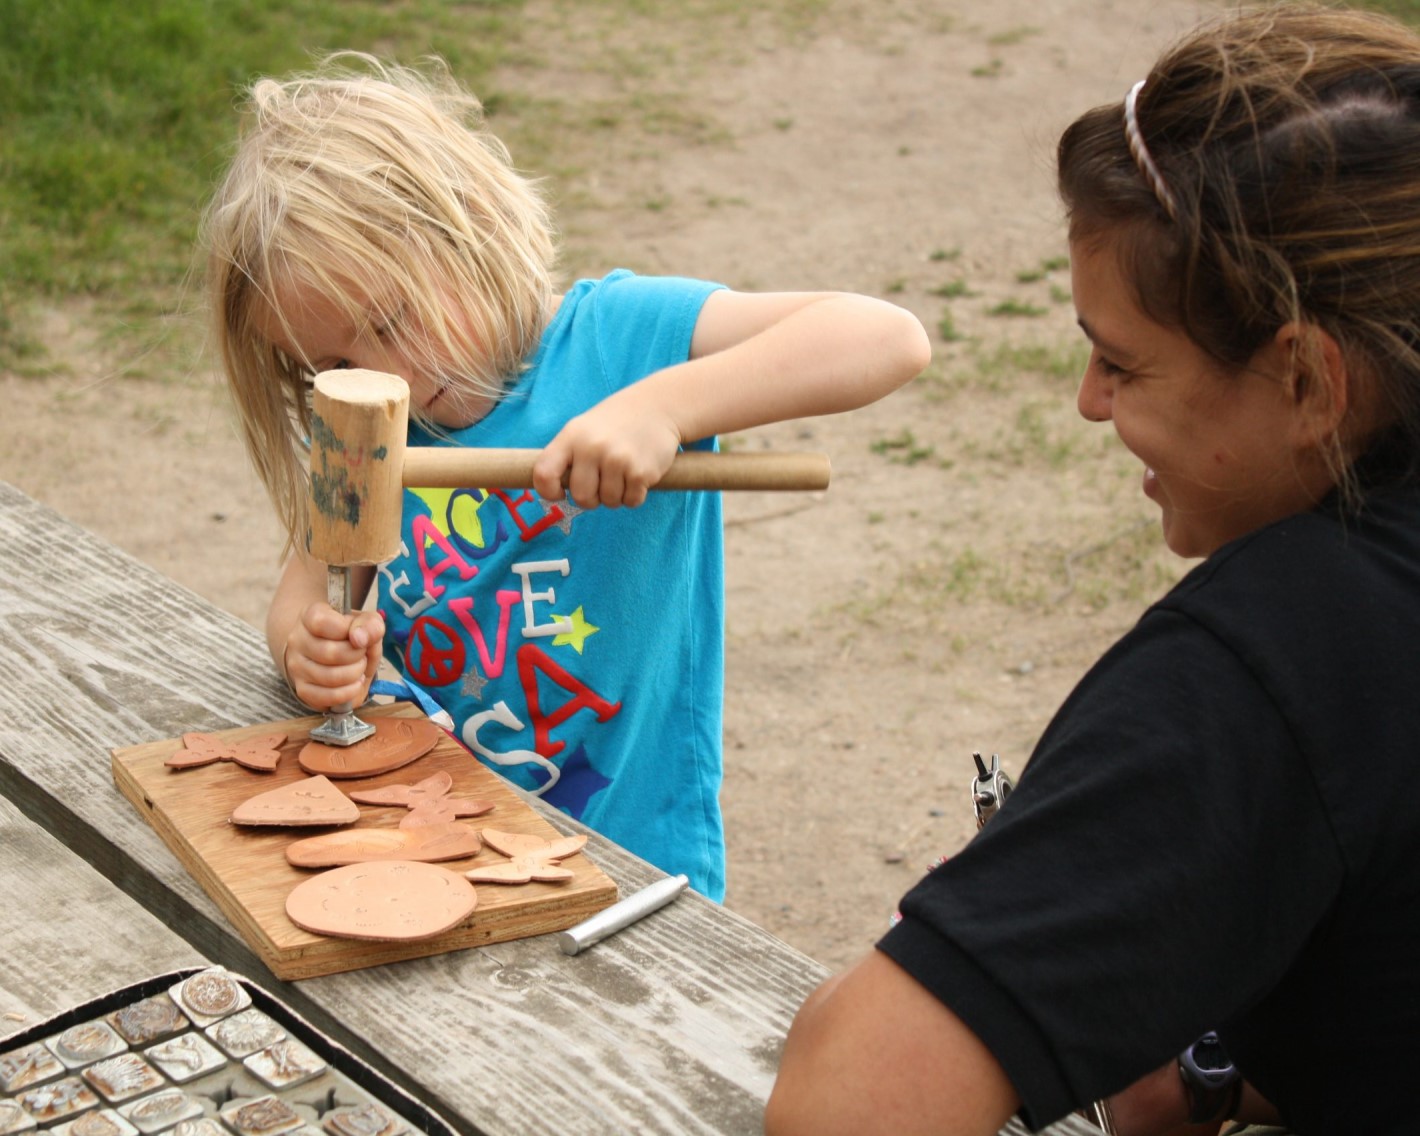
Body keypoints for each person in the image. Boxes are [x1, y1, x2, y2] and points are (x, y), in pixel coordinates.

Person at [766, 6, 1420, 1135]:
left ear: (1311, 382)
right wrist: (1228, 1069)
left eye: (1122, 361)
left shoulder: (1283, 651)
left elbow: (851, 1099)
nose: (1087, 400)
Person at [199, 54, 930, 904]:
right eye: (333, 361)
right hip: (435, 834)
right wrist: (311, 650)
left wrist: (663, 408)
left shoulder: (621, 339)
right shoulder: (368, 426)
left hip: (631, 850)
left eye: (392, 320)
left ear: (463, 224)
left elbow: (885, 337)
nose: (381, 371)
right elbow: (306, 596)